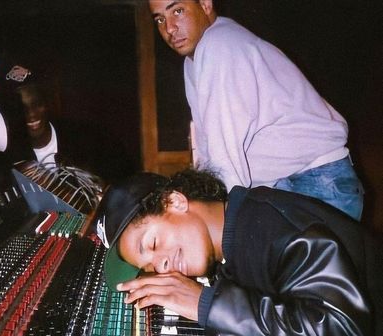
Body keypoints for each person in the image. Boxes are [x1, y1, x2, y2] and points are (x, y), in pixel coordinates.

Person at [94, 167, 382, 336]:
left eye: (154, 245)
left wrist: (208, 305)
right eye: (152, 267)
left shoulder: (279, 230)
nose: (163, 266)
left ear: (176, 202)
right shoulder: (233, 233)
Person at [148, 0, 364, 221]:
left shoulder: (220, 44)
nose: (169, 28)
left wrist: (217, 219)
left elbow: (224, 154)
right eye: (160, 19)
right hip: (301, 184)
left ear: (205, 4)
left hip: (316, 183)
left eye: (178, 11)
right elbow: (207, 149)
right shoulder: (195, 60)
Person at [3, 65, 136, 183]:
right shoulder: (12, 156)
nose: (31, 114)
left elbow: (123, 178)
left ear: (46, 103)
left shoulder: (82, 137)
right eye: (22, 108)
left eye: (37, 104)